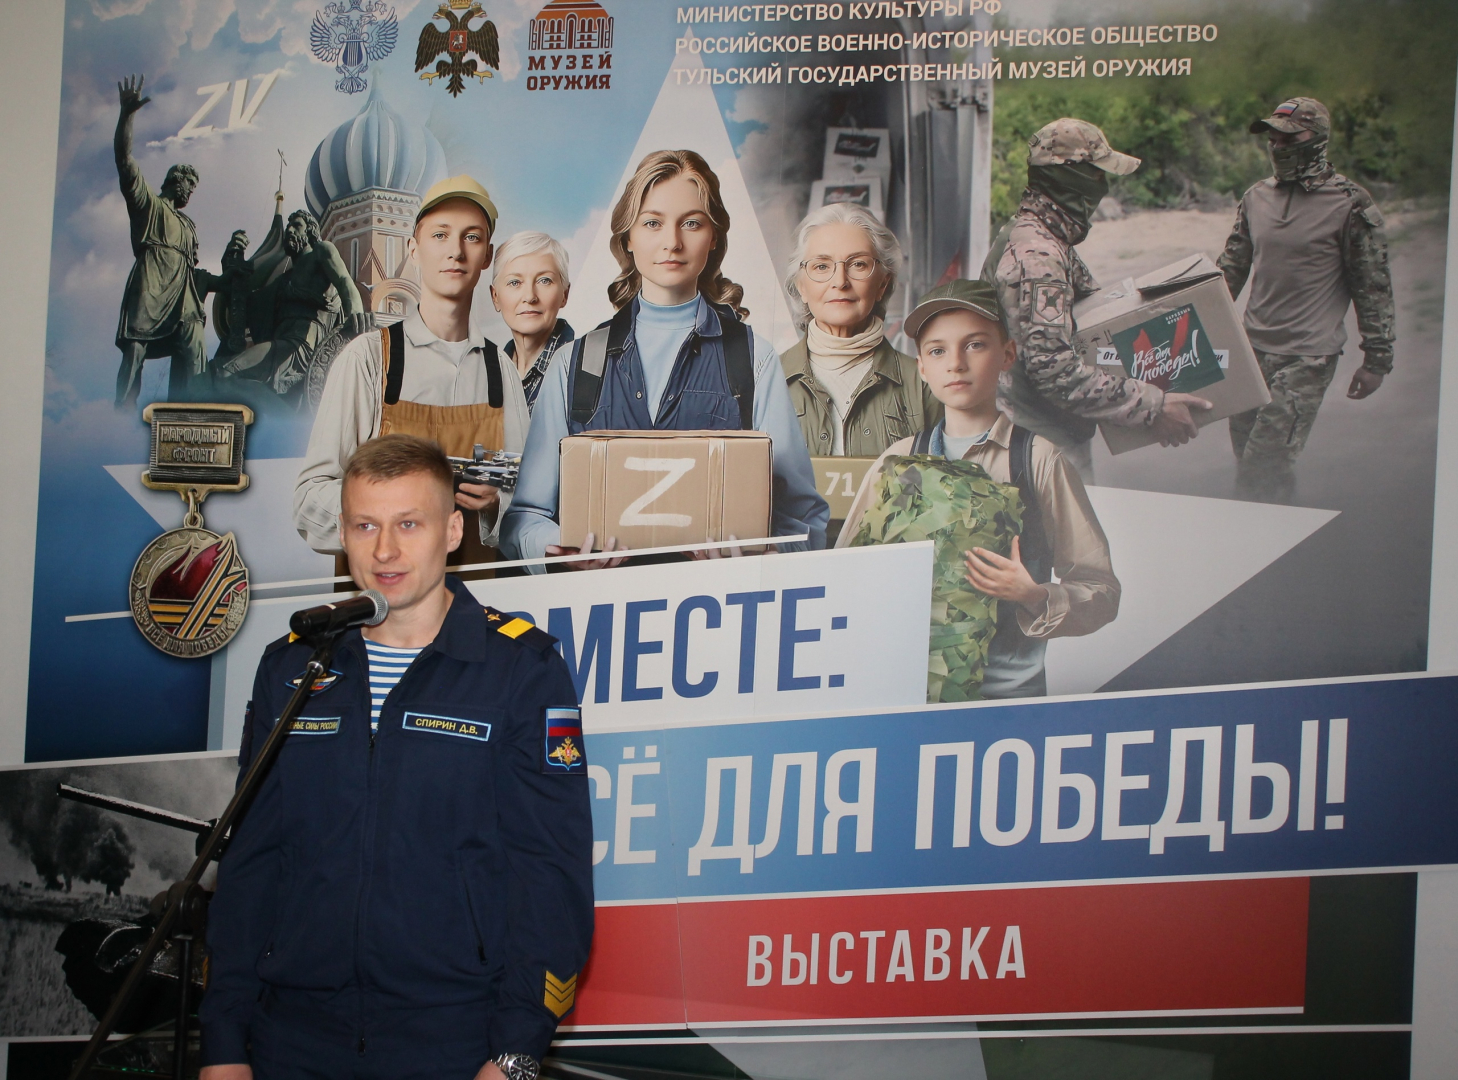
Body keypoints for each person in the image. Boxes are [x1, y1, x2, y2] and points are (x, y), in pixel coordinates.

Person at [199, 434, 593, 1080]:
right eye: (365, 526)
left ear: (452, 531)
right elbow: (251, 866)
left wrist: (515, 1056)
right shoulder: (293, 668)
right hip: (291, 1041)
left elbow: (551, 879)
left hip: (455, 1044)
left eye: (409, 524)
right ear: (343, 533)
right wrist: (221, 1045)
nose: (384, 550)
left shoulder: (521, 671)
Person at [501, 150, 829, 569]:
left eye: (691, 223)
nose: (672, 242)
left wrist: (763, 556)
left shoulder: (753, 359)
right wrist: (558, 550)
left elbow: (803, 523)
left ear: (714, 237)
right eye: (652, 223)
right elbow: (524, 520)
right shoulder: (574, 364)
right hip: (602, 606)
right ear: (628, 237)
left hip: (716, 604)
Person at [839, 280, 1119, 699]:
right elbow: (844, 578)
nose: (955, 363)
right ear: (922, 367)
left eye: (975, 345)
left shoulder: (1038, 461)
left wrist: (1033, 595)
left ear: (1008, 354)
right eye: (937, 351)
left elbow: (1102, 592)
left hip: (1007, 701)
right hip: (904, 694)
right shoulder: (896, 463)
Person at [294, 175, 530, 571]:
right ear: (414, 249)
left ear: (487, 256)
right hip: (382, 599)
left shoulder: (501, 372)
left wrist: (495, 503)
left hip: (475, 601)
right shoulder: (369, 359)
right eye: (440, 235)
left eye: (471, 237)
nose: (455, 251)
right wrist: (387, 509)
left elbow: (522, 499)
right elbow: (309, 500)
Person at [983, 117, 1212, 479]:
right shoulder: (1038, 258)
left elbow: (1090, 315)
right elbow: (1054, 371)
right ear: (1071, 179)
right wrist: (1152, 405)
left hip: (1032, 435)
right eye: (1096, 174)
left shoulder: (1033, 234)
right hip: (1037, 448)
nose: (1103, 186)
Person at [1218, 96, 1396, 503]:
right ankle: (1278, 527)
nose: (1277, 146)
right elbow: (1228, 272)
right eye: (1272, 139)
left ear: (1316, 139)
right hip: (1251, 352)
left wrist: (1377, 360)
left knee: (1264, 465)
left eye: (1288, 138)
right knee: (1251, 463)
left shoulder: (1350, 203)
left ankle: (1265, 534)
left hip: (1307, 358)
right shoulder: (1256, 197)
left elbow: (1372, 285)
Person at [780, 202, 941, 456]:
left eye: (858, 265)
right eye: (822, 266)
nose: (840, 281)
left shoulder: (925, 385)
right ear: (801, 286)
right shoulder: (767, 382)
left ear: (882, 284)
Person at [113, 75, 208, 408]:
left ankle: (191, 410)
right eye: (189, 183)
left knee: (194, 340)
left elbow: (196, 272)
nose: (191, 190)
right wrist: (127, 115)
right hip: (150, 285)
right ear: (174, 180)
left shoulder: (188, 224)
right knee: (135, 352)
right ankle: (122, 413)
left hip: (182, 294)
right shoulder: (149, 205)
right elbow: (125, 162)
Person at [216, 208, 367, 398]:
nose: (289, 230)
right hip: (281, 344)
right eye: (288, 226)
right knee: (222, 373)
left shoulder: (321, 252)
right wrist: (231, 266)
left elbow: (344, 281)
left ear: (310, 231)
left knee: (227, 373)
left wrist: (355, 314)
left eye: (296, 225)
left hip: (301, 347)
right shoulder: (283, 281)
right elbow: (244, 307)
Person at [490, 231, 576, 414]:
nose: (529, 297)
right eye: (515, 282)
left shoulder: (584, 371)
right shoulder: (486, 376)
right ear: (495, 297)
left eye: (544, 281)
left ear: (564, 295)